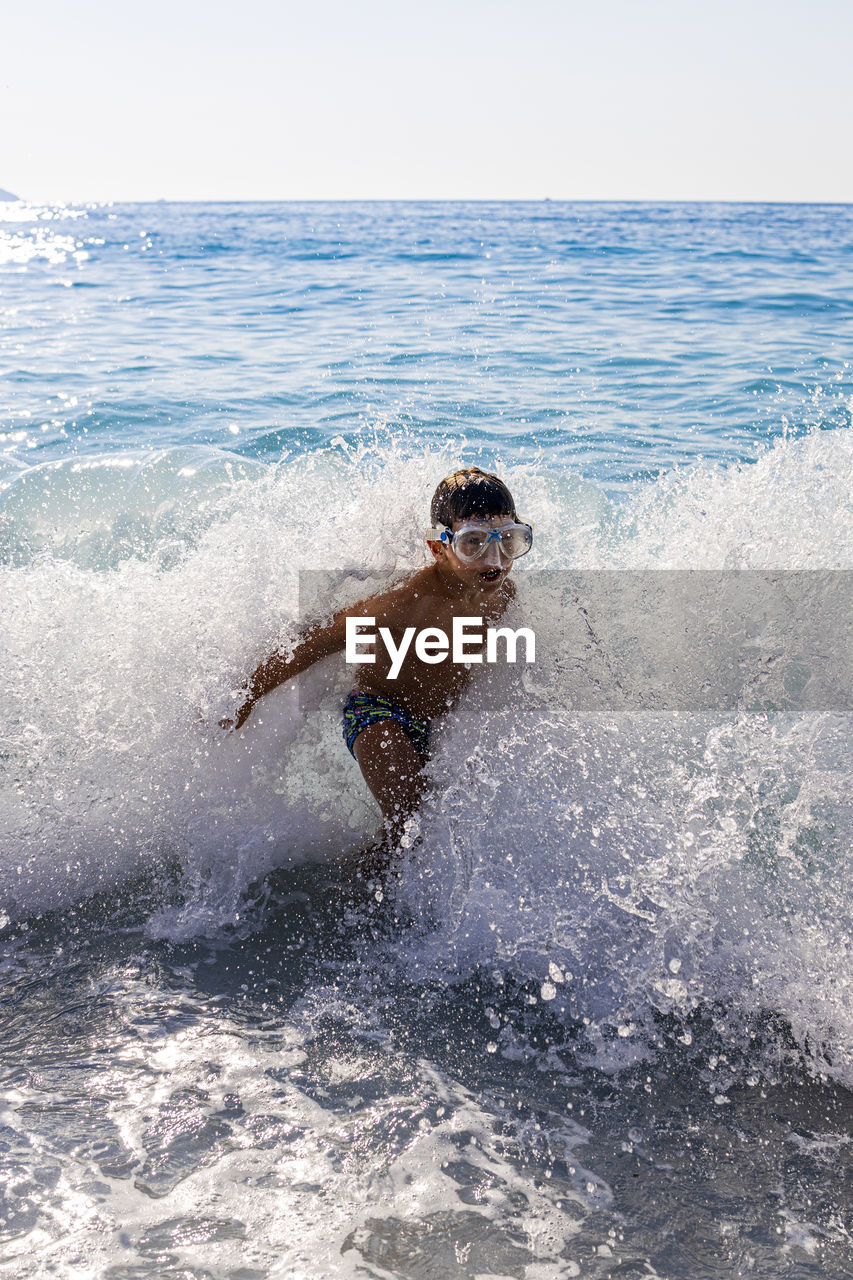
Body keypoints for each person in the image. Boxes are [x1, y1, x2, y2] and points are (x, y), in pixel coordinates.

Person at [224, 467, 533, 863]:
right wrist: (245, 696)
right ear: (439, 547)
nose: (495, 558)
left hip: (440, 727)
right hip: (379, 713)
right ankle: (358, 898)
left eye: (509, 540)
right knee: (410, 821)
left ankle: (379, 880)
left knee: (438, 828)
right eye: (474, 543)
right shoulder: (407, 601)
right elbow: (316, 644)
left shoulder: (501, 594)